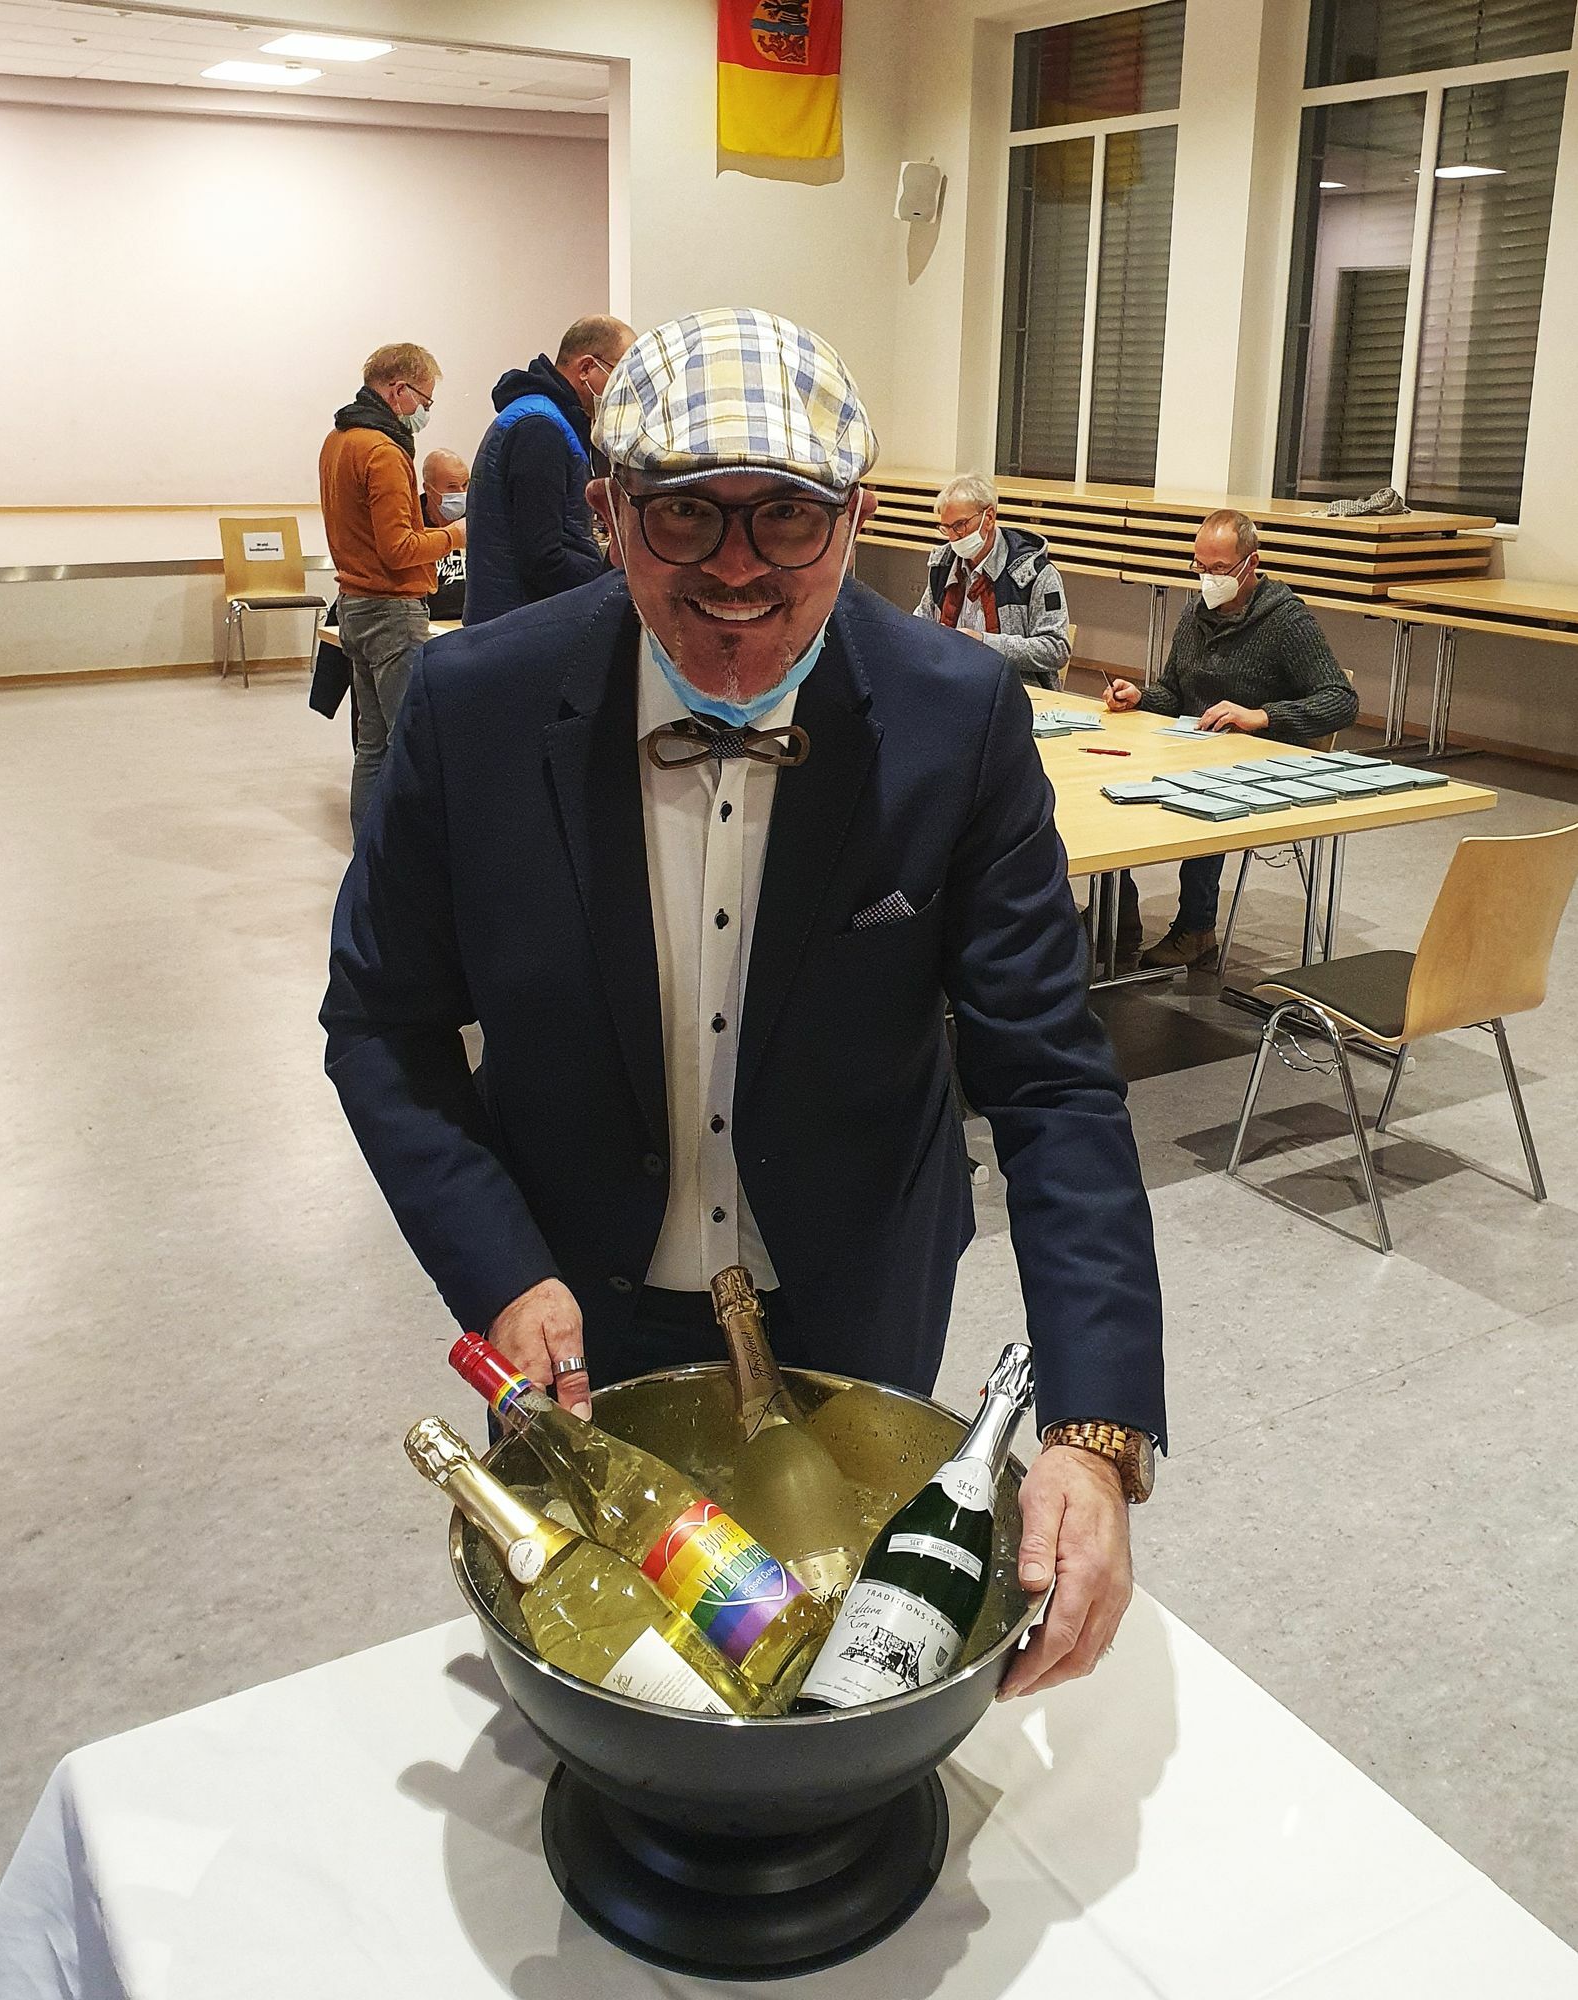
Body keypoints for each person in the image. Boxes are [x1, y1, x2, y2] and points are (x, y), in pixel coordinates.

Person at [322, 307, 1165, 1698]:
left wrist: (1095, 1422)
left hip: (858, 1288)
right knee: (624, 1654)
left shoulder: (957, 717)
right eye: (682, 513)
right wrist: (499, 1265)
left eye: (786, 516)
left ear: (859, 517)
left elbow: (1051, 1079)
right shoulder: (475, 705)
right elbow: (379, 1022)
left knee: (846, 1644)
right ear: (606, 511)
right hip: (573, 1301)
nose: (734, 566)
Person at [1104, 508, 1359, 971]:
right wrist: (1141, 697)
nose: (1208, 578)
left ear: (1251, 563)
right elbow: (1175, 693)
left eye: (1219, 568)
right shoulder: (1195, 613)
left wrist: (1262, 716)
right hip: (1195, 745)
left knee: (1204, 794)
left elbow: (1341, 700)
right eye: (1200, 566)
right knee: (1109, 785)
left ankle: (1196, 928)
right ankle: (1116, 915)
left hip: (1258, 760)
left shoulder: (1287, 621)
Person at [319, 343, 465, 836]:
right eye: (425, 399)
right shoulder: (384, 451)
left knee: (373, 744)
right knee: (413, 740)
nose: (425, 410)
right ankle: (408, 856)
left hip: (354, 605)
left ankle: (370, 849)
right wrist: (456, 536)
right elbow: (400, 548)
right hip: (391, 612)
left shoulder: (338, 440)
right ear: (399, 390)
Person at [463, 314, 636, 625]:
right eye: (620, 376)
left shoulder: (537, 416)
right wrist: (603, 580)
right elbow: (542, 557)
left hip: (511, 619)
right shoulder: (541, 428)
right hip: (520, 625)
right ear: (586, 368)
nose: (623, 390)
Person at [914, 472, 1071, 689]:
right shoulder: (943, 565)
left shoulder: (1035, 573)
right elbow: (920, 625)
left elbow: (1056, 649)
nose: (953, 537)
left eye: (960, 525)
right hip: (952, 684)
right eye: (946, 528)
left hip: (1014, 691)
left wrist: (983, 642)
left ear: (988, 518)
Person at [420, 448, 470, 622]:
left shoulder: (480, 519)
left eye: (465, 485)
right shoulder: (411, 525)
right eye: (452, 487)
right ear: (429, 489)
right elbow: (418, 599)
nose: (461, 493)